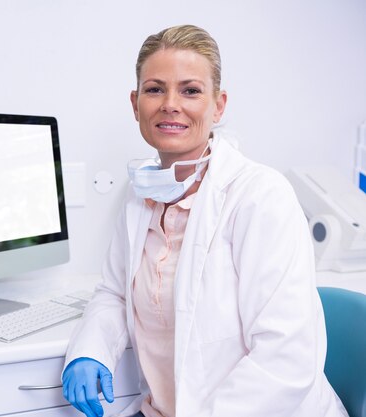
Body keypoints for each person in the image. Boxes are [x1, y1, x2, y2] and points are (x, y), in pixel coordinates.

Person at [61, 24, 349, 417]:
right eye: (155, 89)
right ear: (135, 103)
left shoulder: (260, 196)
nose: (170, 104)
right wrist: (90, 351)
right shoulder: (139, 195)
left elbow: (287, 360)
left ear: (218, 105)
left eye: (190, 90)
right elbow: (114, 292)